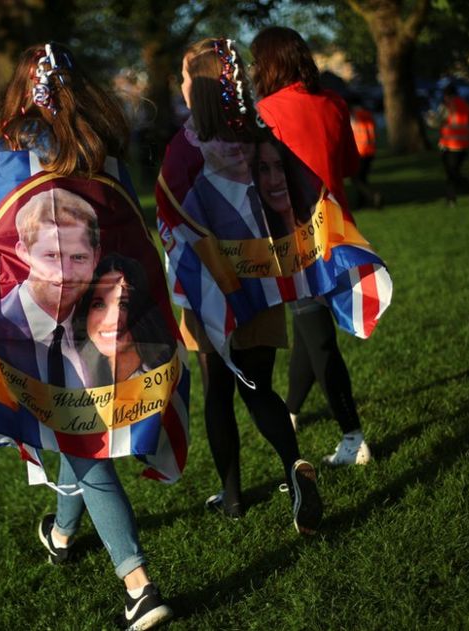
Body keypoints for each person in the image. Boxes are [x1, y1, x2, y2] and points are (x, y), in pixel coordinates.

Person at [0, 42, 173, 630]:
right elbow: (132, 233)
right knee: (72, 431)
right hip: (97, 321)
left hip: (37, 330)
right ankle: (60, 533)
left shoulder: (2, 157)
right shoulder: (103, 151)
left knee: (81, 442)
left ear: (19, 92)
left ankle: (139, 586)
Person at [158, 37, 322, 532]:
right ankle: (293, 466)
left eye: (185, 76)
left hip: (211, 290)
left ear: (201, 86)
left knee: (218, 393)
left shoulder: (183, 151)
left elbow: (173, 221)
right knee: (259, 387)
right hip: (264, 283)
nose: (181, 84)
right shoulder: (259, 140)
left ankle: (231, 498)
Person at [250, 26, 373, 466]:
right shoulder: (334, 102)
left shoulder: (265, 112)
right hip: (338, 232)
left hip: (295, 238)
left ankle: (353, 437)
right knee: (311, 328)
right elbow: (350, 164)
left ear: (268, 64)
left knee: (318, 337)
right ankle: (292, 410)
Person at [0, 187, 100, 387]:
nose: (64, 274)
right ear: (24, 252)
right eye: (51, 256)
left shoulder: (107, 328)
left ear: (95, 257)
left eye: (79, 257)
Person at [73, 253, 174, 386]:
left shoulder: (166, 372)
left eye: (123, 305)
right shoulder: (65, 368)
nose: (111, 319)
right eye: (99, 305)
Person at [435, 83, 469, 207]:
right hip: (464, 144)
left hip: (450, 144)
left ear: (447, 95)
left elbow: (439, 121)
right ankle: (451, 200)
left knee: (452, 173)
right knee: (452, 173)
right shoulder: (465, 105)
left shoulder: (446, 106)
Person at [348, 98, 382, 210]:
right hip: (370, 150)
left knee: (355, 179)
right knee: (362, 177)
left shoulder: (354, 116)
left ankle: (373, 196)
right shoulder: (368, 114)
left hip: (360, 151)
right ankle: (361, 202)